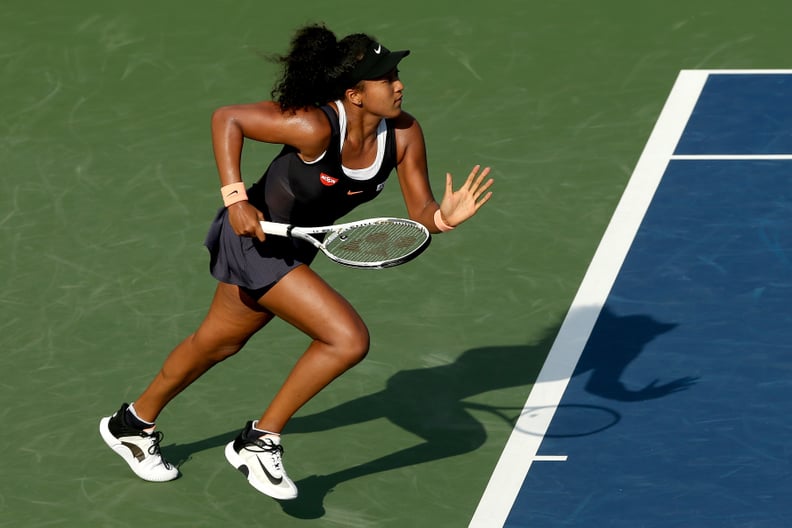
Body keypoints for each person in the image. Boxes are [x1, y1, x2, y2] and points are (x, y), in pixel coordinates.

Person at [98, 22, 493, 501]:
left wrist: (443, 219)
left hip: (296, 244)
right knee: (347, 339)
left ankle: (131, 424)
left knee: (217, 343)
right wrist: (235, 199)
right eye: (385, 77)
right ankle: (259, 441)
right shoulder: (313, 126)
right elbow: (228, 118)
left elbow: (420, 214)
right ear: (355, 94)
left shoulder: (404, 134)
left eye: (396, 73)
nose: (398, 84)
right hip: (253, 239)